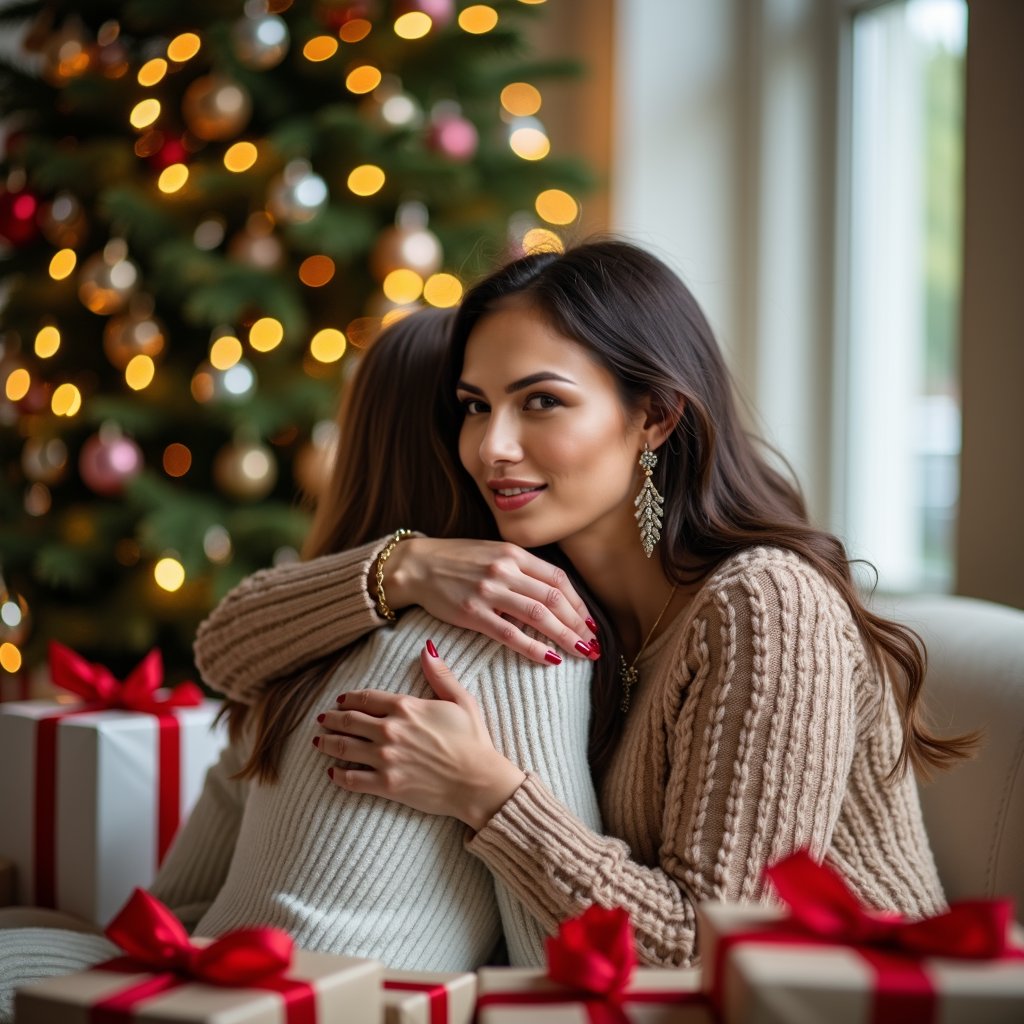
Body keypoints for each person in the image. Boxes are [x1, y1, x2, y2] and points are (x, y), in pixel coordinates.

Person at [193, 240, 972, 969]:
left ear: (653, 417)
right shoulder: (546, 586)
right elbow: (226, 655)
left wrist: (482, 790)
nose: (492, 446)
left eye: (541, 403)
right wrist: (405, 565)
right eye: (474, 405)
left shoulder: (767, 605)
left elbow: (703, 952)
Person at [0, 308, 602, 1022]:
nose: (499, 440)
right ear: (458, 439)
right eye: (476, 407)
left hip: (202, 985)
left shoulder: (303, 645)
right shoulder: (525, 634)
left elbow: (178, 910)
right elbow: (562, 969)